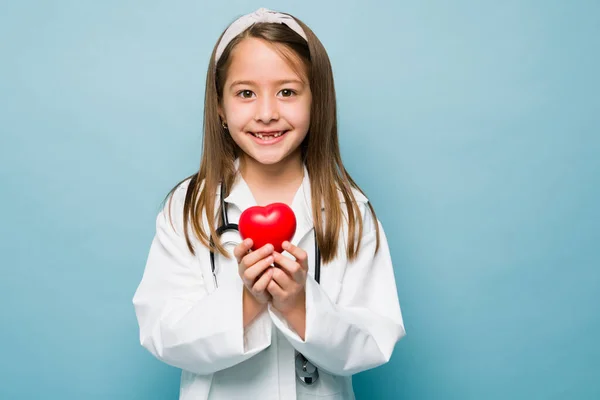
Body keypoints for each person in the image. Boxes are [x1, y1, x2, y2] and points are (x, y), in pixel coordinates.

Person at [132, 7, 405, 400]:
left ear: (317, 101)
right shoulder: (187, 208)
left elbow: (376, 338)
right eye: (246, 93)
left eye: (287, 92)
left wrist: (300, 305)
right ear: (221, 108)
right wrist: (246, 302)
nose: (266, 113)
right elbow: (161, 332)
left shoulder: (350, 212)